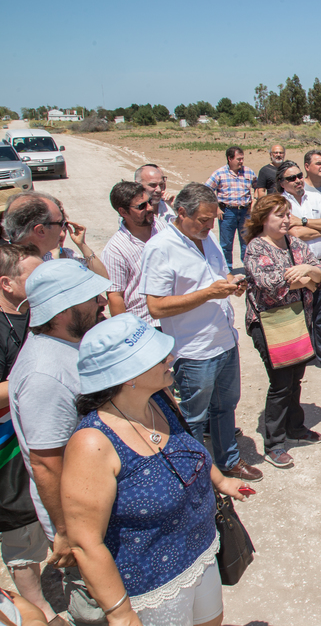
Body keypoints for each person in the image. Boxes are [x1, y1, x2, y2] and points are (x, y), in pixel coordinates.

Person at [63, 314, 251, 625]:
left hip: (201, 553)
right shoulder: (92, 444)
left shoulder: (158, 400)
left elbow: (186, 449)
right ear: (127, 375)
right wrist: (120, 613)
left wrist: (220, 481)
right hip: (153, 584)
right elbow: (85, 542)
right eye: (158, 356)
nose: (171, 358)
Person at [8, 259, 109, 623]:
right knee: (101, 607)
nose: (101, 301)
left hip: (100, 510)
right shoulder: (44, 374)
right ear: (64, 309)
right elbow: (46, 463)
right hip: (85, 524)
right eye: (90, 297)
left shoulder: (69, 345)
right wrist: (66, 532)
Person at [140, 183, 263, 481]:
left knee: (225, 407)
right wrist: (209, 293)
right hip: (194, 350)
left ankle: (228, 460)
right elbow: (156, 306)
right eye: (204, 220)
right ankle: (196, 473)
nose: (210, 226)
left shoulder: (207, 239)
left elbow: (219, 276)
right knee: (193, 417)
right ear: (182, 213)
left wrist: (232, 283)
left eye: (212, 220)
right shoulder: (160, 248)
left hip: (224, 340)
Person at [243, 194, 321, 468]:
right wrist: (307, 279)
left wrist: (306, 270)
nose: (286, 219)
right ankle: (274, 443)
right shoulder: (256, 248)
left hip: (297, 320)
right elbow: (268, 283)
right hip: (269, 324)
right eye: (279, 214)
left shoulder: (295, 244)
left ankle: (295, 427)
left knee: (295, 379)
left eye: (287, 214)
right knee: (280, 383)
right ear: (263, 219)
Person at [0, 246, 60, 624]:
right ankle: (39, 609)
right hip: (7, 453)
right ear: (7, 284)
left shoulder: (40, 314)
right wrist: (36, 374)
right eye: (33, 277)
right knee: (20, 530)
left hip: (45, 435)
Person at [278, 161, 321, 372]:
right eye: (291, 178)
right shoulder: (280, 204)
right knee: (297, 313)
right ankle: (299, 356)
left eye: (299, 176)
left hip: (320, 265)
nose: (298, 180)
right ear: (282, 183)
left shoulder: (315, 197)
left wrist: (303, 221)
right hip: (295, 268)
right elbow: (294, 234)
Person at [3, 191, 107, 277]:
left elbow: (103, 279)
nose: (62, 232)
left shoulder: (53, 255)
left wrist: (82, 245)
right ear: (40, 230)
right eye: (60, 223)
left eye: (65, 225)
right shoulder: (10, 268)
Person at [102, 181, 162, 323]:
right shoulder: (115, 250)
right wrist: (128, 331)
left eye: (149, 202)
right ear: (123, 212)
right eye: (141, 206)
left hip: (175, 317)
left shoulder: (162, 228)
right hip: (146, 323)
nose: (149, 208)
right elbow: (115, 296)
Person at [204, 146, 256, 268]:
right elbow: (206, 189)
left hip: (245, 211)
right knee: (226, 243)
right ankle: (227, 269)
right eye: (238, 159)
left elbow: (258, 187)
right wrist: (216, 208)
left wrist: (255, 201)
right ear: (230, 158)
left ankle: (248, 267)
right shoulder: (219, 173)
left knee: (247, 241)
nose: (241, 161)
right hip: (227, 212)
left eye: (242, 159)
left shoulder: (248, 172)